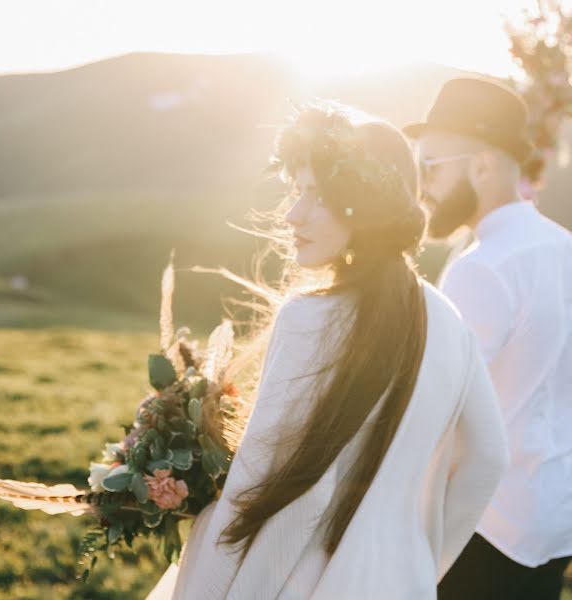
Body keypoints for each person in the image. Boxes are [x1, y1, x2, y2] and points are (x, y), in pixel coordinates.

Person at [146, 102, 509, 600]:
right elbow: (488, 458)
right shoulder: (451, 321)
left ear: (366, 203)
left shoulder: (311, 317)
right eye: (296, 191)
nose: (294, 214)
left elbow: (268, 489)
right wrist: (423, 558)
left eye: (318, 195)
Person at [405, 77, 572, 600]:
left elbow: (436, 410)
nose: (419, 186)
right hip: (558, 514)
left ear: (481, 166)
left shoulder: (482, 268)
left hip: (485, 528)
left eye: (429, 166)